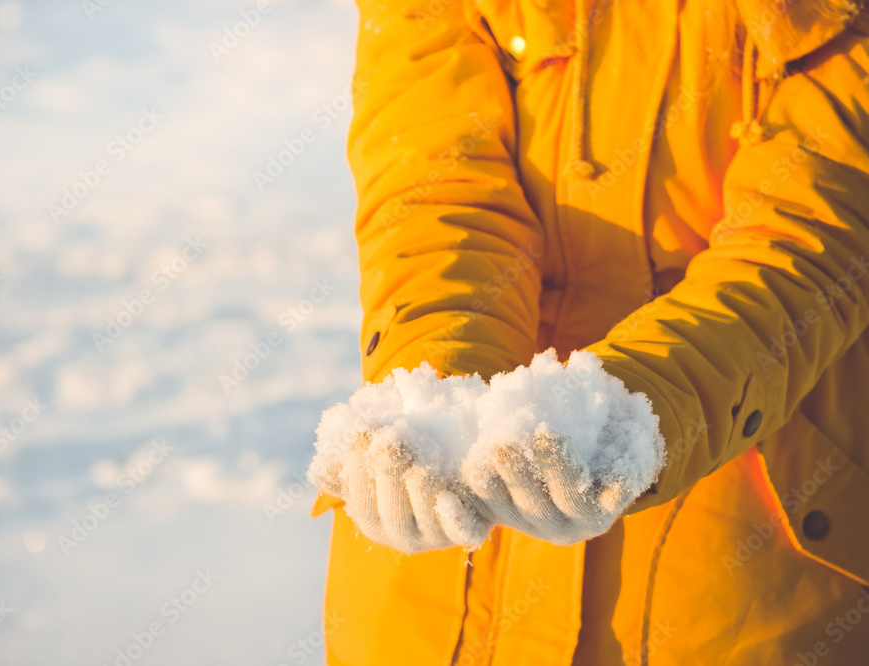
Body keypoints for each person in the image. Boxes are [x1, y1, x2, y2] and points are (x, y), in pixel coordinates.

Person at [309, 0, 869, 663]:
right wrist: (439, 394)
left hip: (729, 592)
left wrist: (628, 417)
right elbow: (433, 191)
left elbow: (808, 241)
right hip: (434, 603)